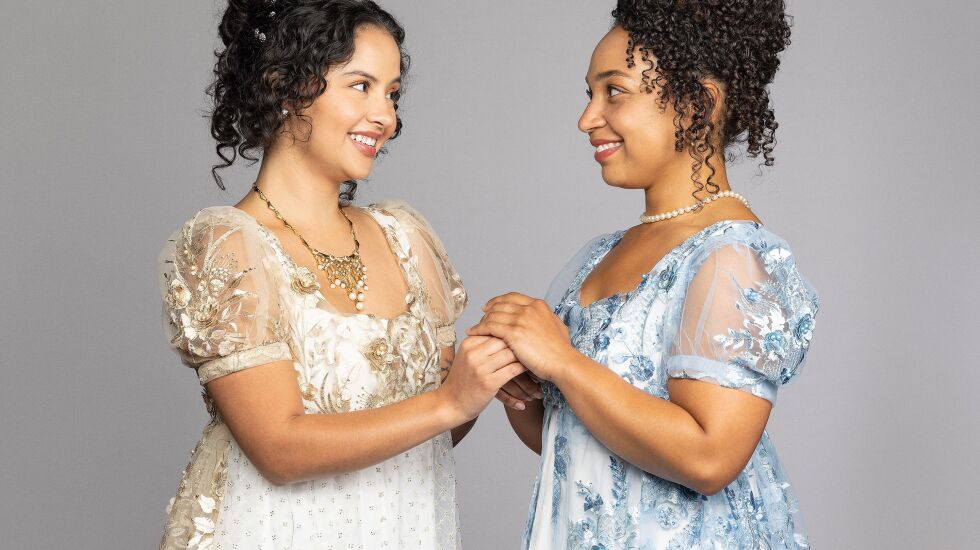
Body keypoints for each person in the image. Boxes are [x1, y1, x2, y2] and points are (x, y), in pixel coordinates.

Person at [157, 1, 523, 548]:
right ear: (284, 85)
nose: (386, 116)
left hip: (400, 527)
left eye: (392, 93)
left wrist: (487, 373)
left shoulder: (405, 238)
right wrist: (450, 401)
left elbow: (431, 433)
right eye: (361, 86)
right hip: (276, 530)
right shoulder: (230, 245)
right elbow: (278, 451)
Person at [471, 1, 819, 548]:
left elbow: (709, 458)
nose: (587, 118)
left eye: (614, 91)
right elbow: (580, 443)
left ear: (697, 104)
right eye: (589, 93)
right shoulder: (597, 256)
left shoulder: (731, 258)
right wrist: (519, 386)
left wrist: (562, 362)